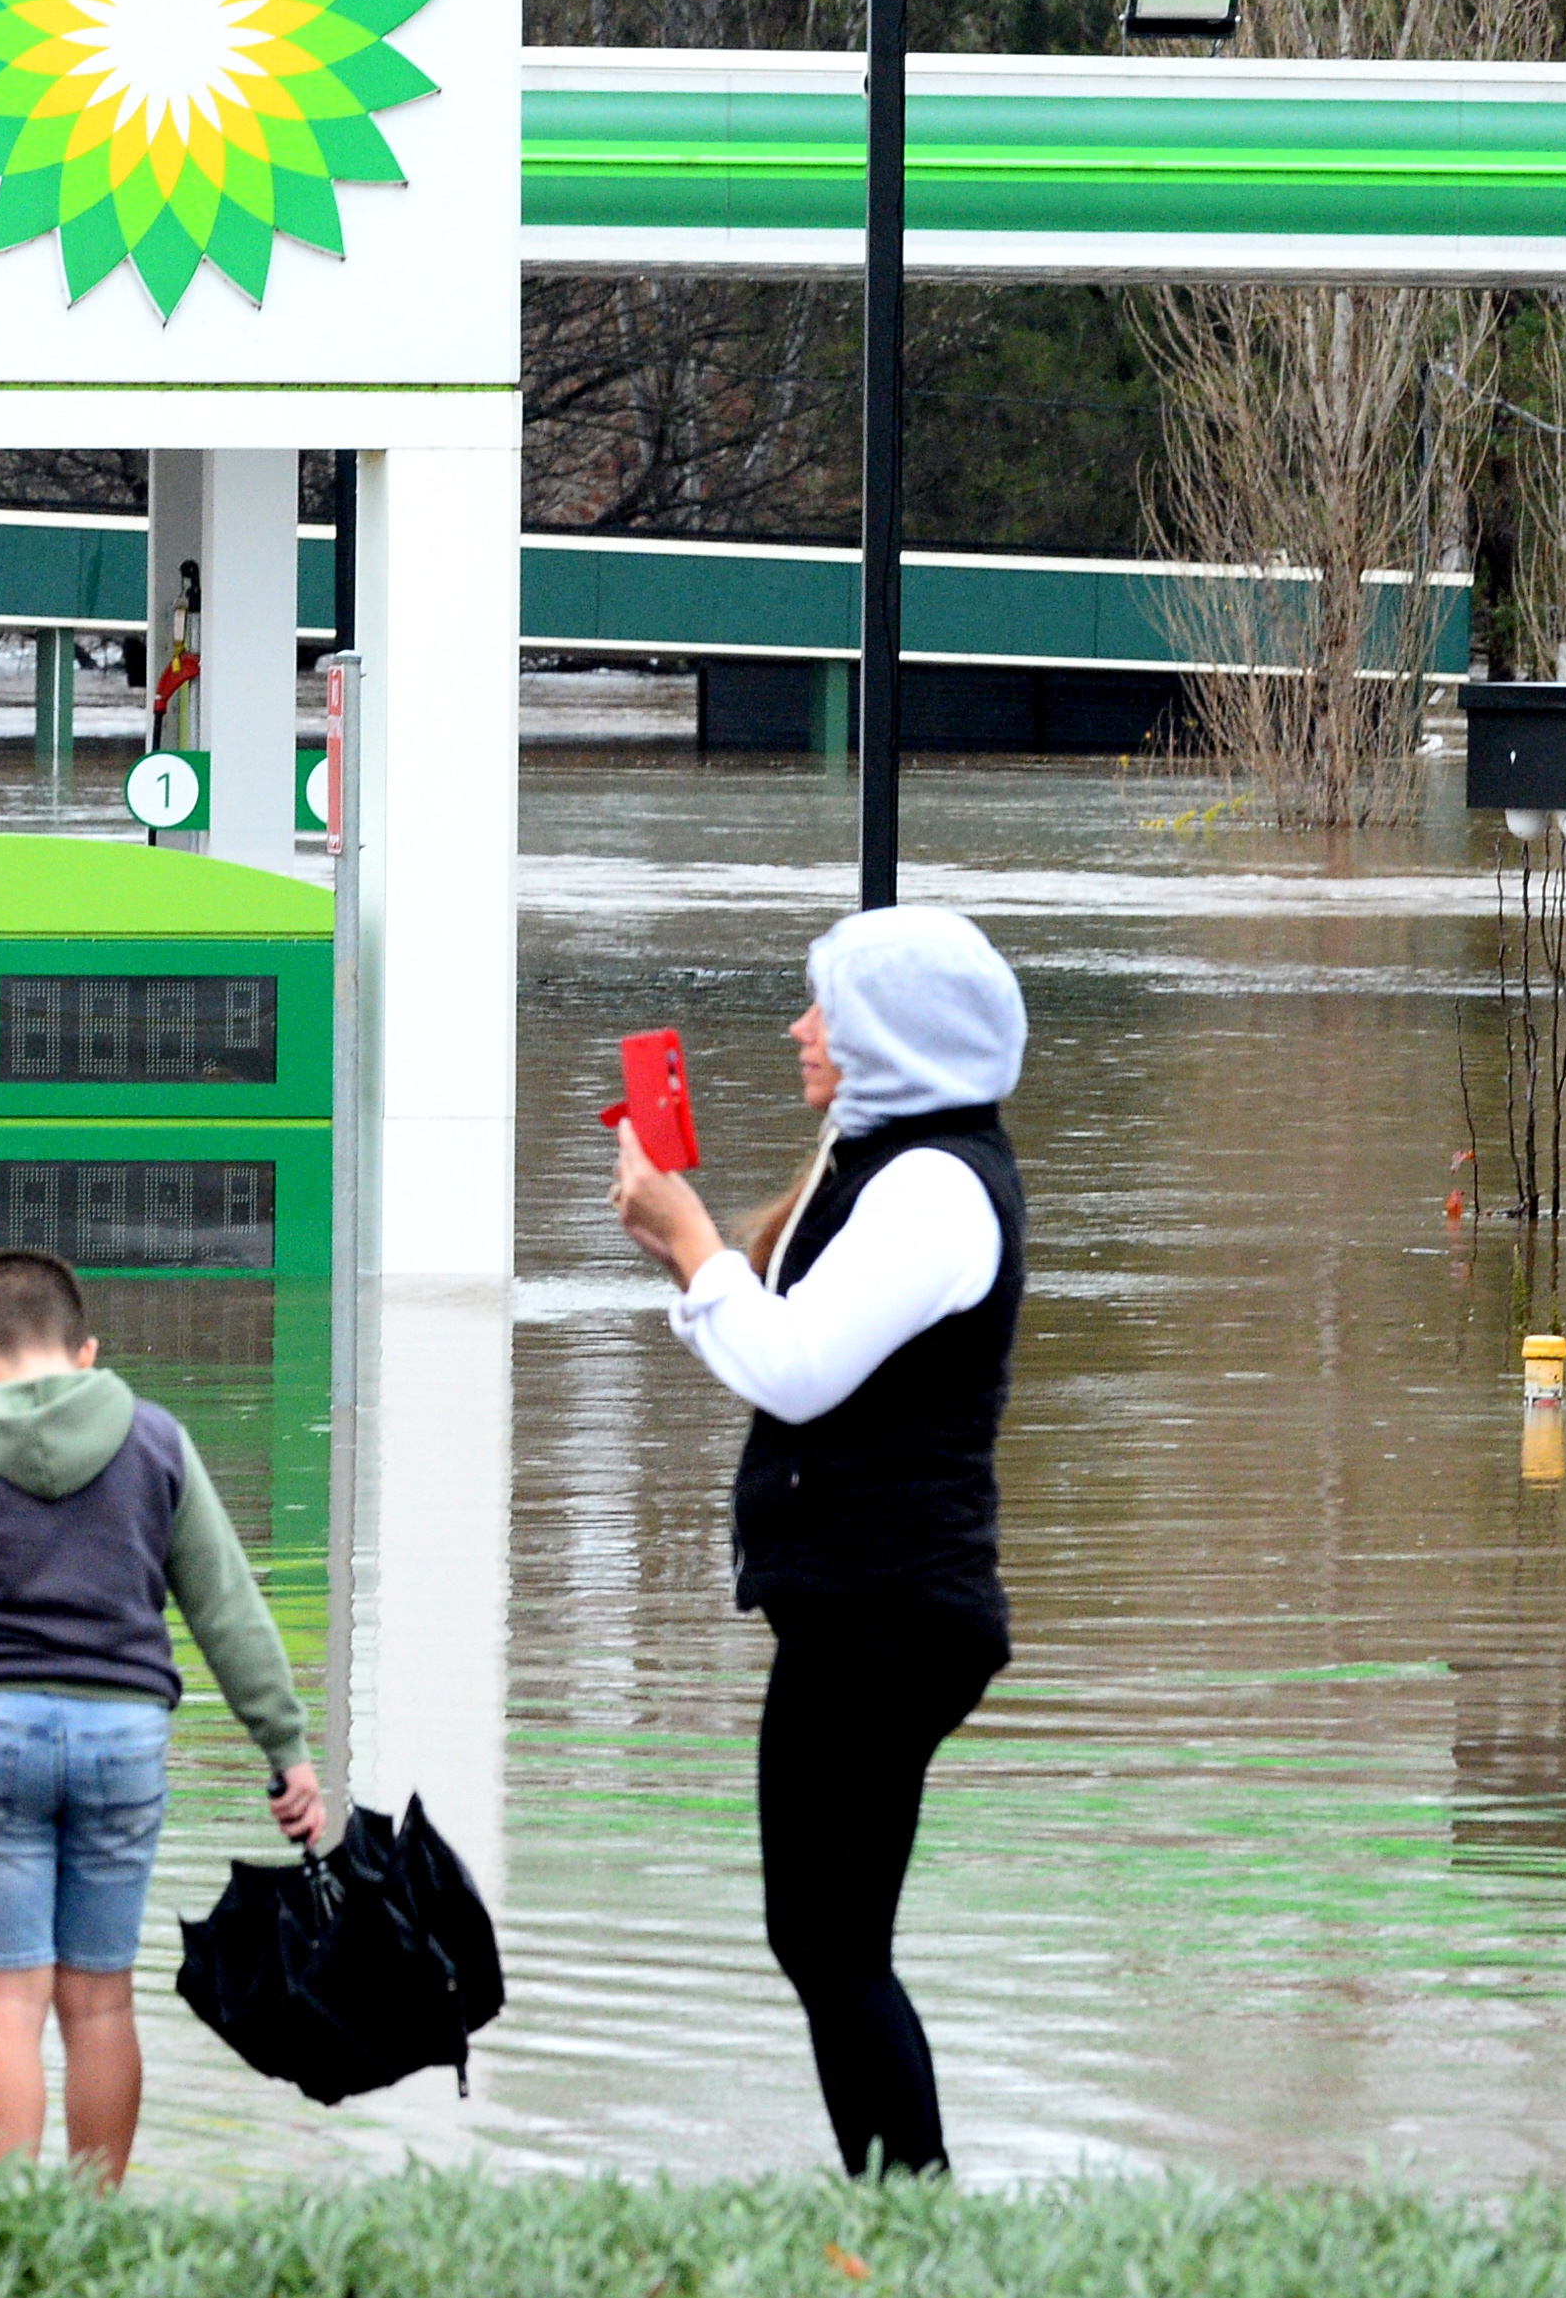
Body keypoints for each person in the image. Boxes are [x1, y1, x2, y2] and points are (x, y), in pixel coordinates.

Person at [609, 904, 1028, 2177]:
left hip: (890, 1609)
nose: (799, 1028)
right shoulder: (878, 1162)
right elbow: (779, 1350)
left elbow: (791, 1371)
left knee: (830, 1942)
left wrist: (689, 1243)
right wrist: (686, 1256)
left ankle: (914, 2208)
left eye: (823, 1010)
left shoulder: (934, 1187)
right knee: (821, 1936)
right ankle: (903, 2205)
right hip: (863, 1604)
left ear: (890, 1038)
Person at [0, 1246, 324, 2180]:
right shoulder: (156, 1440)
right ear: (85, 1351)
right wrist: (285, 1746)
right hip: (124, 1739)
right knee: (100, 2002)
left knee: (7, 1995)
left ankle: (10, 2233)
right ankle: (92, 2230)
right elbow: (227, 1608)